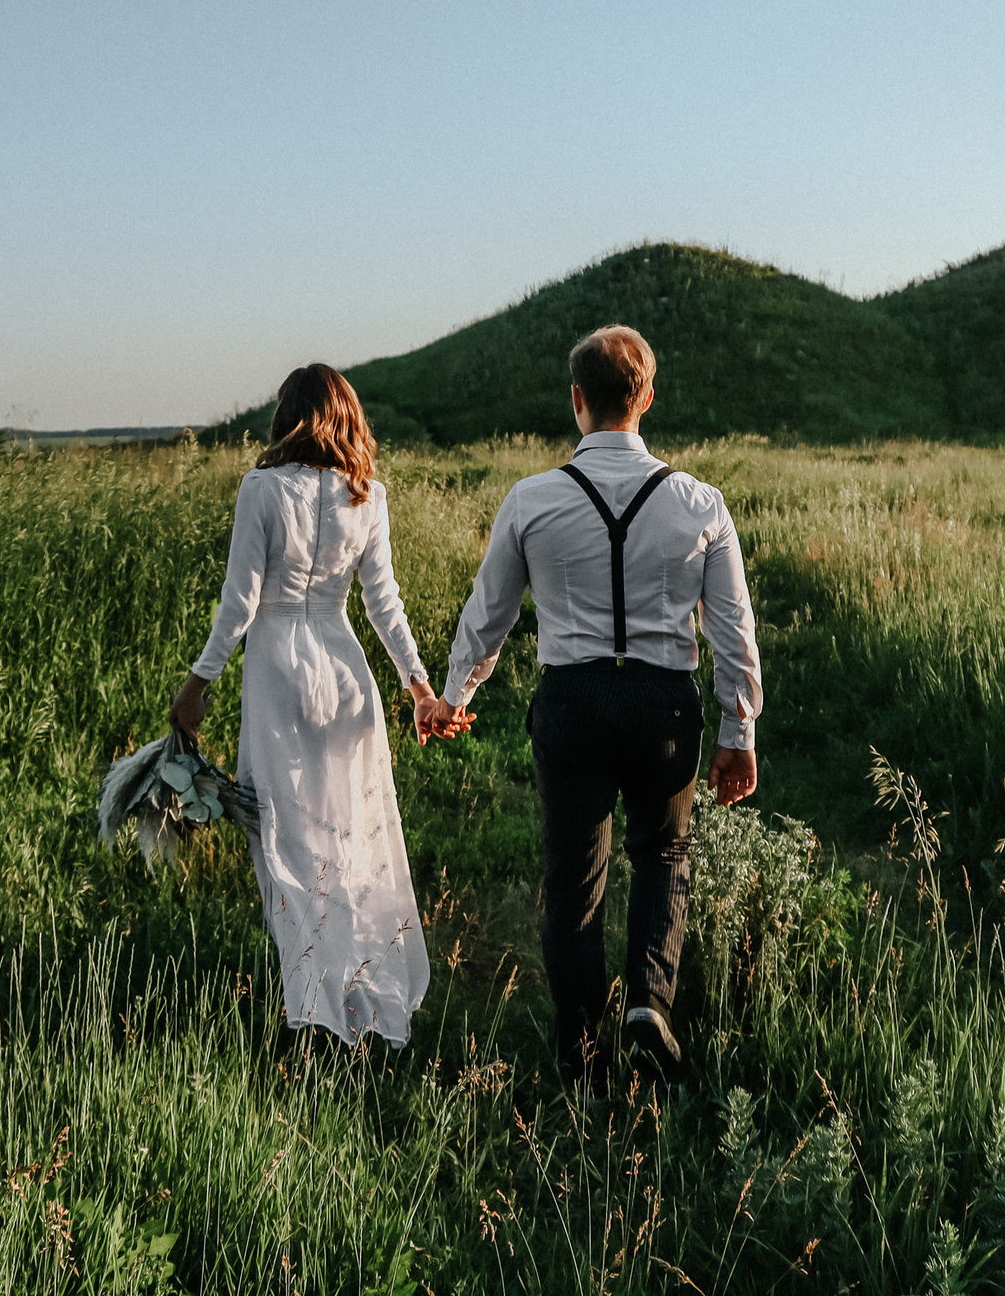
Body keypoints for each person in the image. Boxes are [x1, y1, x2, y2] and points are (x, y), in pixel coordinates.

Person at [437, 325, 762, 1092]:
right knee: (664, 855)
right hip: (663, 706)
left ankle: (583, 1062)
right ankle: (649, 1003)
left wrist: (454, 698)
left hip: (572, 701)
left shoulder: (531, 499)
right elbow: (733, 627)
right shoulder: (699, 502)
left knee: (573, 882)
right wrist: (737, 729)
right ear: (646, 398)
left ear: (577, 401)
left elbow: (489, 616)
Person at [171, 364, 459, 1048]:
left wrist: (198, 681)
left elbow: (240, 602)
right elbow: (383, 604)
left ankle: (314, 1008)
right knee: (346, 840)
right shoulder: (369, 495)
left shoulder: (262, 489)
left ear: (289, 416)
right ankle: (346, 997)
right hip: (344, 672)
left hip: (279, 678)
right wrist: (419, 687)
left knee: (284, 843)